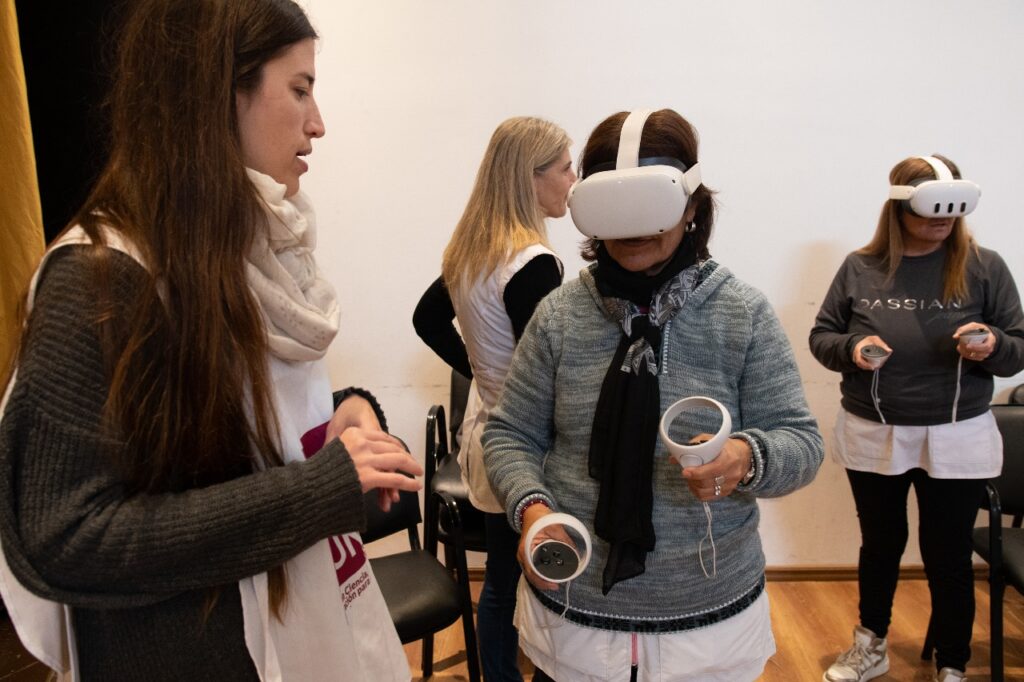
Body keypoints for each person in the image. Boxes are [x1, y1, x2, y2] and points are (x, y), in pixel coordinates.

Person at [0, 1, 422, 680]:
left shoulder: (231, 252)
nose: (317, 122)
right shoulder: (99, 279)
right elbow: (66, 536)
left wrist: (343, 411)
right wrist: (318, 489)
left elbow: (232, 435)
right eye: (300, 89)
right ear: (216, 93)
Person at [482, 108, 824, 682]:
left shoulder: (741, 313)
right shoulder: (560, 315)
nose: (632, 227)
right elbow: (510, 434)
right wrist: (533, 508)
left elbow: (802, 442)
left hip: (707, 618)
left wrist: (746, 458)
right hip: (575, 608)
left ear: (692, 206)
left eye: (650, 204)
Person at [809, 154, 1024, 682]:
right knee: (881, 545)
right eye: (931, 209)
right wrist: (853, 348)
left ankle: (953, 662)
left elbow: (1017, 349)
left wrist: (992, 344)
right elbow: (823, 336)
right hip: (875, 429)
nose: (942, 220)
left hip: (957, 433)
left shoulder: (985, 266)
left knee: (947, 552)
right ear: (899, 207)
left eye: (952, 210)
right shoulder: (861, 267)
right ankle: (871, 646)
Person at [412, 116, 574, 681]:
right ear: (532, 177)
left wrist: (481, 374)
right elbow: (547, 375)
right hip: (526, 446)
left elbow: (426, 319)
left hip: (488, 434)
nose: (573, 180)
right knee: (532, 579)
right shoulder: (532, 263)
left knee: (503, 580)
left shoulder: (474, 252)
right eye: (565, 168)